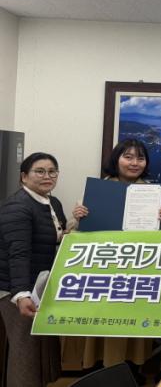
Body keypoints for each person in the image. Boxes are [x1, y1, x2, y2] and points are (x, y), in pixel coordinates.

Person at [65, 139, 161, 374]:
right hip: (104, 271)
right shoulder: (97, 190)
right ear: (116, 159)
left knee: (132, 325)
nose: (134, 163)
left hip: (138, 271)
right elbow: (73, 232)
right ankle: (96, 372)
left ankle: (132, 373)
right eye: (128, 157)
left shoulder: (154, 193)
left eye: (140, 158)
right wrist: (78, 217)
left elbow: (160, 238)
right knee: (101, 324)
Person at [0, 152, 65, 387]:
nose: (47, 176)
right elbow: (18, 253)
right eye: (40, 171)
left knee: (41, 350)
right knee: (25, 352)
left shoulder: (51, 202)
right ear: (24, 177)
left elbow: (53, 237)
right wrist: (21, 294)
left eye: (52, 171)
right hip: (16, 289)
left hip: (40, 286)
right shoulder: (18, 206)